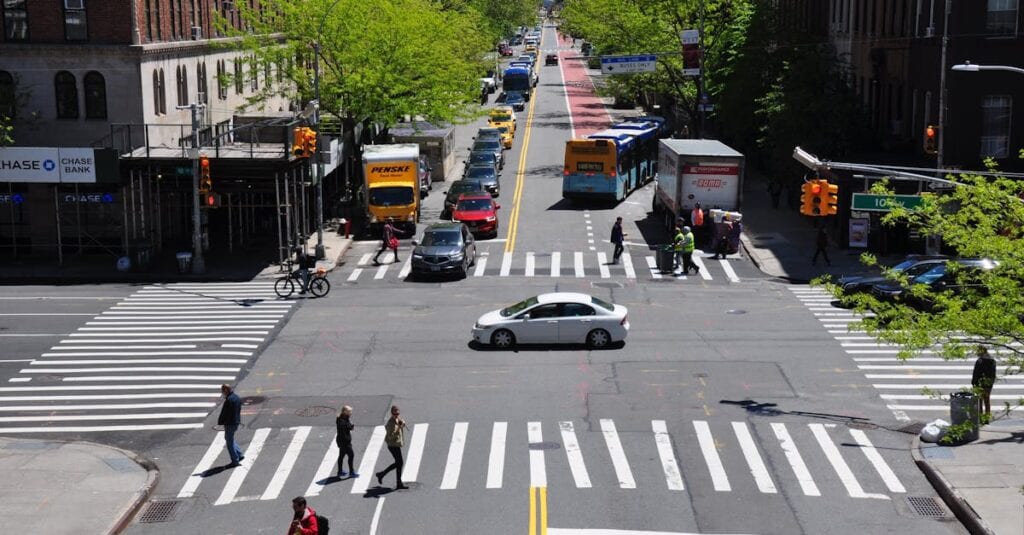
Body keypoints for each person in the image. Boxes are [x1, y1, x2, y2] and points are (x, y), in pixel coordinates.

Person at [376, 405, 408, 490]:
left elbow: (399, 423)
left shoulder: (397, 419)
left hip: (396, 444)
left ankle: (383, 475)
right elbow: (390, 436)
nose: (396, 415)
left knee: (399, 463)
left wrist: (402, 423)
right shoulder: (391, 424)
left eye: (398, 413)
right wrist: (398, 428)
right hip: (392, 445)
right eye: (395, 414)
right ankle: (397, 482)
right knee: (399, 463)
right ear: (391, 413)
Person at [218, 384, 244, 467]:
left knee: (229, 442)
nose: (222, 393)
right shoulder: (236, 397)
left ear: (226, 390)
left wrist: (221, 422)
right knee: (229, 439)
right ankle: (239, 454)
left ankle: (235, 460)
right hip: (236, 422)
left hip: (230, 423)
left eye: (222, 391)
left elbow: (225, 413)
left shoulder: (229, 400)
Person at [972, 346, 997, 422]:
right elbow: (993, 374)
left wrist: (974, 382)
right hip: (988, 384)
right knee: (987, 401)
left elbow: (976, 373)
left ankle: (980, 418)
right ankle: (987, 418)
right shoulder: (992, 360)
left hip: (980, 383)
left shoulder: (980, 361)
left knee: (979, 401)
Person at [336, 405, 357, 478]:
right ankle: (351, 472)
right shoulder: (343, 422)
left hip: (341, 442)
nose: (351, 413)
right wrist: (351, 426)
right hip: (345, 443)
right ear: (345, 412)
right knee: (351, 455)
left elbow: (349, 427)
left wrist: (350, 425)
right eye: (349, 412)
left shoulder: (341, 419)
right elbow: (349, 427)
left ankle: (340, 471)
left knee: (341, 456)